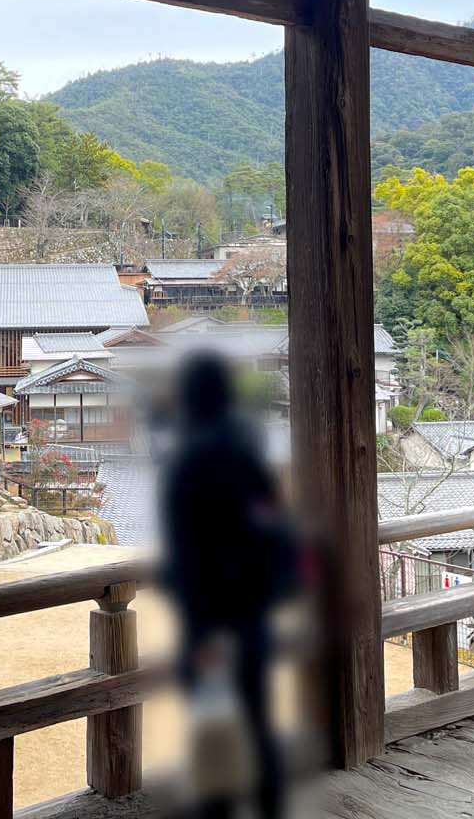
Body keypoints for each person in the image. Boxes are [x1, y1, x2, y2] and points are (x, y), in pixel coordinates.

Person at [158, 351, 297, 819]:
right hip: (252, 604)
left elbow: (188, 551)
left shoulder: (190, 457)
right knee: (256, 719)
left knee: (215, 726)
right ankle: (270, 804)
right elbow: (273, 514)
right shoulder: (247, 440)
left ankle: (219, 808)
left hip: (211, 614)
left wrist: (197, 628)